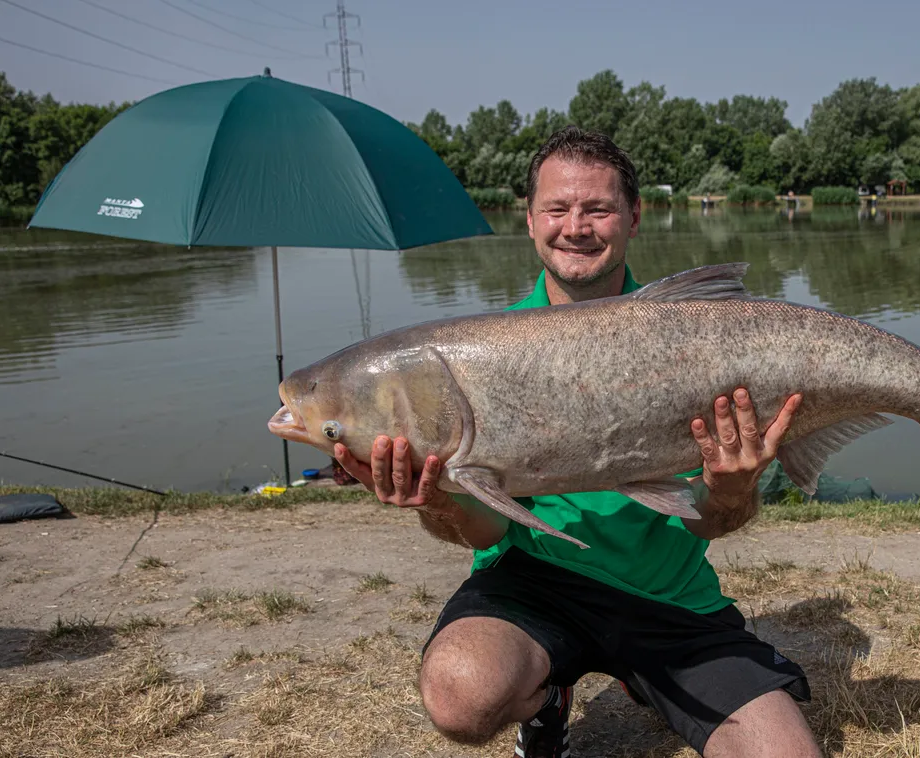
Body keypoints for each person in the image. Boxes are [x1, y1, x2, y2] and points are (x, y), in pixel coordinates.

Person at [333, 126, 820, 758]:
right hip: (535, 581)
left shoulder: (695, 336)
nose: (576, 226)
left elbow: (711, 522)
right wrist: (434, 499)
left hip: (667, 594)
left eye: (597, 208)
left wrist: (732, 488)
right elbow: (484, 534)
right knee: (459, 695)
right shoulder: (481, 353)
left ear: (634, 218)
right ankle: (548, 692)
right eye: (558, 209)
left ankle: (646, 672)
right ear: (531, 220)